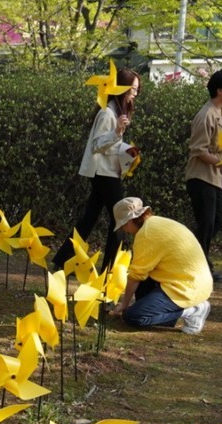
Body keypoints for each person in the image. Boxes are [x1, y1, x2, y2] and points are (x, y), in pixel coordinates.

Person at [51, 65, 141, 274]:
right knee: (120, 220)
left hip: (108, 172)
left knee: (90, 218)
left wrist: (127, 151)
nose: (135, 94)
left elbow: (106, 146)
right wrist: (117, 132)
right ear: (121, 88)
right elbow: (97, 146)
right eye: (133, 89)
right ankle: (109, 269)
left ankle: (62, 260)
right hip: (104, 174)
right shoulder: (108, 113)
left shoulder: (115, 112)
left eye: (137, 90)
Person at [109, 197, 212, 334]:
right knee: (142, 299)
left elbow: (136, 276)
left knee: (134, 317)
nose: (124, 229)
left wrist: (124, 304)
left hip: (184, 288)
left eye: (123, 225)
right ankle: (167, 311)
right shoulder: (157, 223)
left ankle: (192, 311)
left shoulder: (146, 234)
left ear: (129, 221)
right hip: (198, 282)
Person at [185, 69, 222, 277]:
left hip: (215, 176)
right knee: (207, 222)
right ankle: (198, 265)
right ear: (220, 90)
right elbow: (197, 150)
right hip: (201, 176)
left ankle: (195, 256)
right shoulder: (206, 114)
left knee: (219, 219)